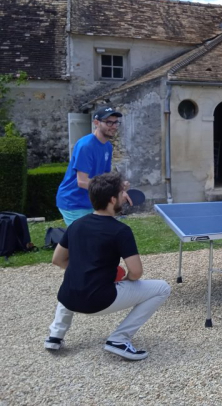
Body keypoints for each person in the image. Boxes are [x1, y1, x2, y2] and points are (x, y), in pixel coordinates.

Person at [44, 172, 171, 360]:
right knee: (162, 288)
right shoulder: (121, 230)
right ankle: (119, 339)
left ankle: (55, 335)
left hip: (68, 298)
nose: (124, 198)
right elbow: (136, 272)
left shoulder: (76, 225)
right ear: (113, 200)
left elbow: (58, 260)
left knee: (72, 282)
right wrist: (127, 280)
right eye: (122, 194)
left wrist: (81, 272)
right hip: (99, 301)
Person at [56, 105, 128, 226]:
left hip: (92, 201)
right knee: (83, 240)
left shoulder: (108, 146)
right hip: (74, 202)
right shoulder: (86, 146)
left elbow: (104, 177)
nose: (114, 126)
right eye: (109, 123)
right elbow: (82, 182)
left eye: (116, 122)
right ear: (96, 123)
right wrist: (114, 190)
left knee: (95, 237)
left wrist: (119, 188)